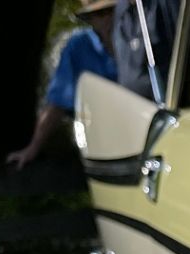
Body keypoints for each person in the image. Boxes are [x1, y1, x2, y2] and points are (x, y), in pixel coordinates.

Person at [7, 0, 119, 170]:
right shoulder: (78, 46)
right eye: (98, 14)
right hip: (104, 144)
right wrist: (33, 148)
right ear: (89, 19)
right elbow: (59, 100)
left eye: (111, 10)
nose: (107, 19)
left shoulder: (146, 41)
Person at [114, 0, 180, 102]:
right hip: (132, 107)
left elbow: (185, 47)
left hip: (166, 104)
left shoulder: (165, 4)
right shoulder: (121, 10)